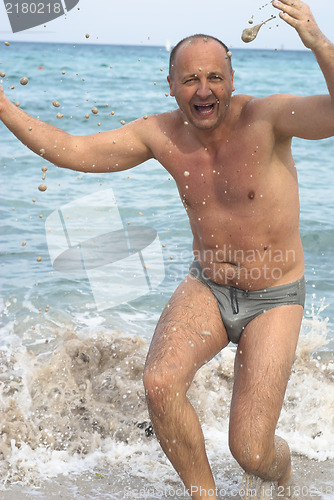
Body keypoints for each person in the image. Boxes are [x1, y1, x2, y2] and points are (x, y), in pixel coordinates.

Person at [1, 1, 333, 498]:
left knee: (251, 451)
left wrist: (320, 44)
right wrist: (3, 106)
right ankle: (204, 495)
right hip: (209, 285)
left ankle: (282, 475)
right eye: (191, 79)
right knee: (159, 383)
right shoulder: (159, 134)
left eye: (216, 78)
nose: (205, 90)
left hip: (274, 297)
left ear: (232, 79)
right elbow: (70, 149)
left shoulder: (265, 119)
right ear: (171, 86)